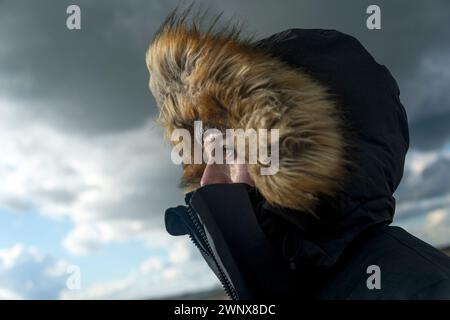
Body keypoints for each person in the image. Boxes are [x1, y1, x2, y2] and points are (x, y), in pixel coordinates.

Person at [146, 6, 450, 299]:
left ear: (302, 153)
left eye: (230, 149)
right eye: (207, 157)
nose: (207, 180)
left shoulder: (424, 290)